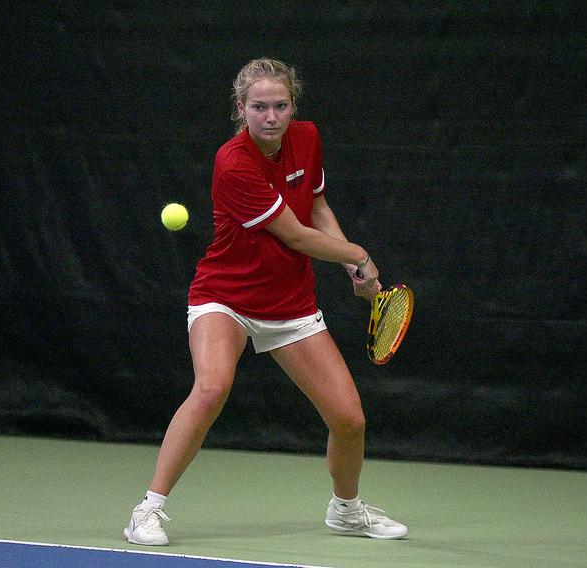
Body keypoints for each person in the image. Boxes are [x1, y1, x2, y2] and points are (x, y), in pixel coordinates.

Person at [124, 58, 408, 546]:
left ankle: (346, 509)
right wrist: (360, 256)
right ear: (241, 108)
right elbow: (296, 236)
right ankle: (147, 510)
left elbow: (316, 208)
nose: (271, 116)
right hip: (224, 297)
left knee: (349, 418)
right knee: (212, 388)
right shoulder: (232, 162)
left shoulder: (308, 138)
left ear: (292, 106)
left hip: (290, 305)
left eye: (280, 106)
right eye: (259, 107)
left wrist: (350, 270)